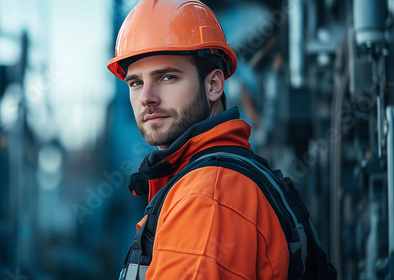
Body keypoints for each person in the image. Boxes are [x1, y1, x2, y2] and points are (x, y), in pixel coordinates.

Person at [107, 0, 289, 279]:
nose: (147, 98)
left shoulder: (207, 195)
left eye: (167, 77)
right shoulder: (201, 180)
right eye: (136, 83)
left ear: (214, 85)